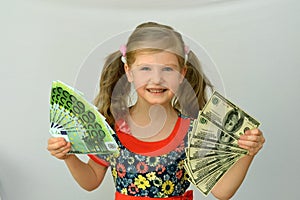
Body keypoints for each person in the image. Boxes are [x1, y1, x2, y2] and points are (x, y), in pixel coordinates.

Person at [47, 22, 265, 200]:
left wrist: (247, 153)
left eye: (167, 69)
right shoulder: (113, 129)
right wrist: (69, 157)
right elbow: (91, 180)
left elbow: (221, 191)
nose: (157, 79)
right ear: (129, 72)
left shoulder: (193, 131)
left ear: (182, 74)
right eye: (145, 69)